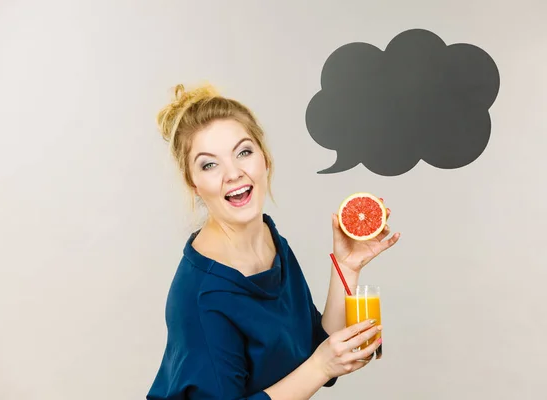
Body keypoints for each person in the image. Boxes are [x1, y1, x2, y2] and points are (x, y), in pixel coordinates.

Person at [146, 82, 400, 400]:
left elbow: (312, 350)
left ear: (264, 159)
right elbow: (317, 366)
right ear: (194, 183)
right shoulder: (204, 297)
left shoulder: (270, 239)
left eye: (244, 152)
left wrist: (346, 267)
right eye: (209, 164)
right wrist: (320, 367)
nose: (233, 173)